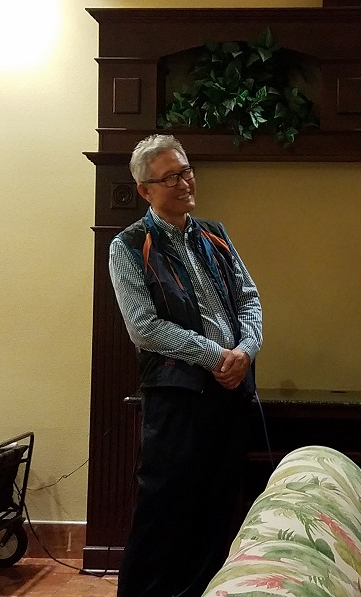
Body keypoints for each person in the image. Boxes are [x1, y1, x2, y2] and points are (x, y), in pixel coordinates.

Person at [109, 134, 263, 597]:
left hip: (231, 392)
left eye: (186, 171)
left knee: (218, 507)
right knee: (164, 510)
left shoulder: (215, 234)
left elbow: (250, 300)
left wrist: (245, 350)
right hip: (177, 398)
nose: (183, 182)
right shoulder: (128, 245)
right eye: (170, 177)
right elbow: (143, 327)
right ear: (145, 190)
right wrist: (215, 355)